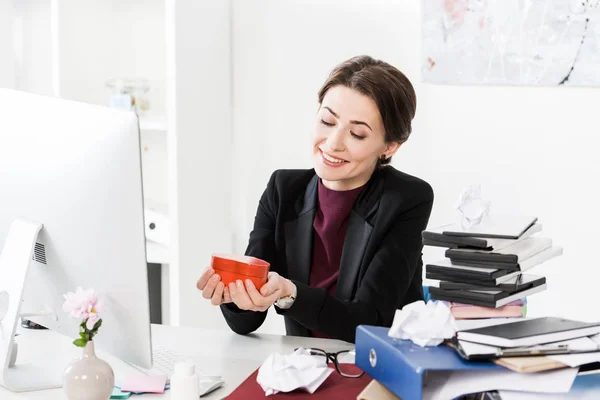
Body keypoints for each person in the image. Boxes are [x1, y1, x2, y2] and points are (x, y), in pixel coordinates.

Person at [196, 55, 433, 343]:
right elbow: (247, 321)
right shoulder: (283, 189)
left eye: (357, 134)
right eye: (327, 121)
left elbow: (371, 320)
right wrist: (235, 296)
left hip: (379, 367)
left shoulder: (407, 199)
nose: (333, 143)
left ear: (389, 146)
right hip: (305, 370)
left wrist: (290, 294)